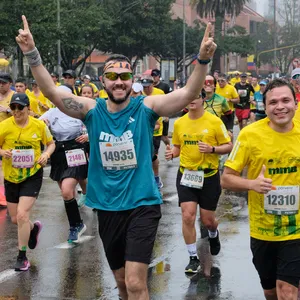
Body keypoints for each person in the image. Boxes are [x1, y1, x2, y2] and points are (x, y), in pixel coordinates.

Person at [16, 16, 216, 299]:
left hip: (142, 205)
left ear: (131, 80)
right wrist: (31, 52)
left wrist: (203, 59)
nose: (119, 82)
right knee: (122, 284)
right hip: (107, 207)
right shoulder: (92, 110)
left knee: (136, 283)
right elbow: (51, 92)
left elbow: (188, 94)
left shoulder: (146, 107)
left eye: (124, 76)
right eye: (112, 76)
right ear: (104, 80)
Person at [221, 79, 300, 300]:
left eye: (286, 100)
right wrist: (252, 184)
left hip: (296, 229)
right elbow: (226, 179)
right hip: (263, 229)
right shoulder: (249, 135)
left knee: (287, 291)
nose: (280, 106)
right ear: (265, 107)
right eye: (273, 102)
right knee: (271, 291)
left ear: (295, 103)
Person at [165, 91, 232, 274]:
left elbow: (228, 145)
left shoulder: (214, 122)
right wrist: (173, 153)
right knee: (187, 215)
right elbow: (178, 147)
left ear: (203, 99)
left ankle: (213, 233)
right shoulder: (179, 122)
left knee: (207, 220)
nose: (192, 100)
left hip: (209, 176)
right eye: (189, 97)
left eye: (196, 96)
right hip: (186, 174)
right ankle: (193, 258)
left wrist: (212, 149)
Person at [0, 93, 55, 271]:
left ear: (28, 108)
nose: (16, 111)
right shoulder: (4, 126)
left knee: (23, 215)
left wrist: (46, 154)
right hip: (11, 176)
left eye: (20, 107)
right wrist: (3, 153)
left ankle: (22, 257)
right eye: (13, 108)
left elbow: (51, 143)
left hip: (32, 174)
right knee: (16, 219)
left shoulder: (38, 125)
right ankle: (33, 229)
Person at [40, 85, 88, 241]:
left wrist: (87, 136)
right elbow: (36, 125)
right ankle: (77, 223)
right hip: (59, 152)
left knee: (67, 190)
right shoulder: (52, 112)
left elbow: (96, 126)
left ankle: (75, 225)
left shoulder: (80, 111)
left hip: (76, 149)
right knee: (66, 193)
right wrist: (43, 125)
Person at [141, 75, 165, 191]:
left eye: (148, 86)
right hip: (143, 131)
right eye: (144, 87)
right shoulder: (139, 94)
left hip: (155, 130)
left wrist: (165, 115)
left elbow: (166, 105)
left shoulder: (159, 93)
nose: (146, 89)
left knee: (152, 156)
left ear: (153, 84)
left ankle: (156, 178)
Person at [151, 69, 173, 146]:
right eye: (152, 76)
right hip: (153, 114)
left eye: (155, 76)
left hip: (163, 114)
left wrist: (167, 114)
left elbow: (171, 99)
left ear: (159, 76)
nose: (154, 78)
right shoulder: (148, 87)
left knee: (164, 137)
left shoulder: (164, 86)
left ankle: (169, 148)